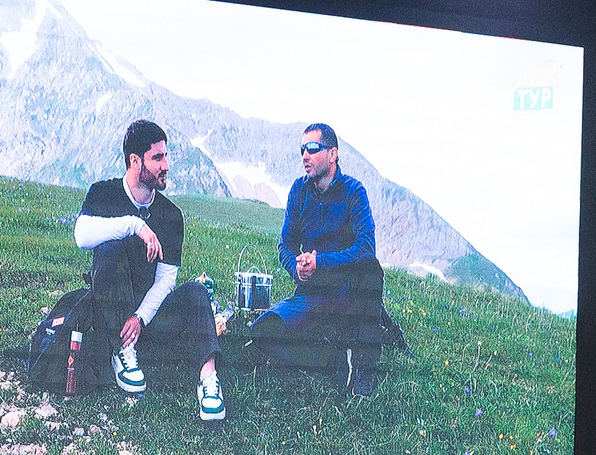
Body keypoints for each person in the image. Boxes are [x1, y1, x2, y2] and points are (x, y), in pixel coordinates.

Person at [75, 120, 224, 424]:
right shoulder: (104, 193)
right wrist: (135, 225)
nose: (166, 165)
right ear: (135, 161)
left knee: (196, 291)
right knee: (108, 249)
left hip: (150, 316)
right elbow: (81, 236)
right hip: (111, 306)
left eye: (166, 156)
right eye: (157, 158)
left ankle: (209, 382)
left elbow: (166, 279)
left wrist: (140, 318)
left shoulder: (170, 215)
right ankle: (123, 351)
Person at [253, 124, 388, 398]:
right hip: (313, 292)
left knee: (371, 268)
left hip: (349, 289)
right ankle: (334, 357)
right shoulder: (299, 191)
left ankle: (365, 364)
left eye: (313, 149)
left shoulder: (354, 191)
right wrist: (297, 269)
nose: (305, 155)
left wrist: (321, 262)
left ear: (333, 154)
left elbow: (366, 247)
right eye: (302, 149)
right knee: (262, 331)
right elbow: (286, 245)